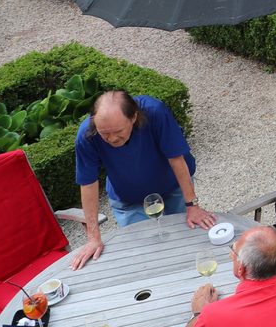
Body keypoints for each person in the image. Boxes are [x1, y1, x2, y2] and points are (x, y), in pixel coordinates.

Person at [70, 90, 216, 269]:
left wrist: (192, 205)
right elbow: (88, 183)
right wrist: (93, 238)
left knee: (188, 240)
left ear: (134, 117)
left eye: (118, 131)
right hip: (129, 200)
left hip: (173, 187)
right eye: (104, 134)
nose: (112, 139)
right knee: (149, 256)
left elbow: (176, 158)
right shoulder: (86, 135)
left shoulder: (156, 112)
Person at [183, 226, 276, 327]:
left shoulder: (212, 316)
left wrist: (198, 314)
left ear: (241, 269)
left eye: (234, 251)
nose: (230, 255)